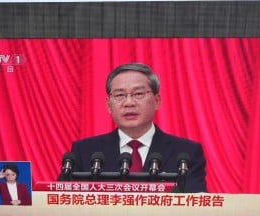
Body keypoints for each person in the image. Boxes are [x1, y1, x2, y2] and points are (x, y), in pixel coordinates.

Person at [61, 62, 208, 192]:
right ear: (108, 105)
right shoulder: (85, 151)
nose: (129, 102)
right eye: (120, 96)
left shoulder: (186, 153)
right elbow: (59, 200)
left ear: (157, 100)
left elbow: (196, 205)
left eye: (138, 94)